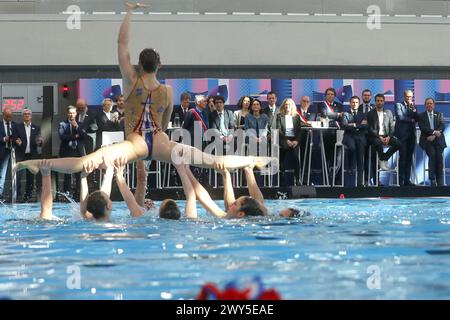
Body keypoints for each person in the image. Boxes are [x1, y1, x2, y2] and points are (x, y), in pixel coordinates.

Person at [118, 2, 174, 207]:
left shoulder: (131, 80)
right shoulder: (168, 91)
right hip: (155, 141)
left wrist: (130, 11)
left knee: (116, 170)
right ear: (160, 65)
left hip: (133, 141)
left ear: (139, 64)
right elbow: (165, 125)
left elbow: (122, 44)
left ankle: (134, 208)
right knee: (145, 176)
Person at [58, 105, 87, 199]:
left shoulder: (81, 124)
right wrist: (75, 136)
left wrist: (77, 127)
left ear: (76, 113)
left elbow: (84, 135)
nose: (71, 115)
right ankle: (67, 195)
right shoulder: (62, 124)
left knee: (79, 175)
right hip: (67, 152)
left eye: (73, 113)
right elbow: (63, 137)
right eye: (70, 113)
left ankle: (78, 195)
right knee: (67, 175)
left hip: (78, 152)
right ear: (67, 114)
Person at [367, 94, 401, 175]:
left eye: (381, 101)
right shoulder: (370, 113)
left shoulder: (388, 112)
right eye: (378, 101)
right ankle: (382, 160)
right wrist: (379, 137)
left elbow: (392, 127)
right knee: (377, 142)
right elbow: (370, 129)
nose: (379, 102)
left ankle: (384, 158)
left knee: (398, 144)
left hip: (387, 136)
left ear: (384, 102)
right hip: (375, 137)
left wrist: (389, 137)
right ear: (375, 102)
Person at [15, 109, 43, 202]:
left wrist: (40, 142)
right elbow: (14, 138)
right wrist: (17, 142)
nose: (27, 115)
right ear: (23, 116)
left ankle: (28, 196)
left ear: (31, 116)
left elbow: (39, 141)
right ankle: (18, 196)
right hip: (20, 155)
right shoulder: (18, 127)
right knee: (18, 176)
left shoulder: (36, 128)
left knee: (30, 177)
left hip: (32, 156)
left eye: (28, 114)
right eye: (25, 114)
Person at [418, 98, 447, 186]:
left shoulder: (439, 114)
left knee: (439, 156)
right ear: (425, 105)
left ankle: (440, 180)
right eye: (427, 103)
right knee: (432, 154)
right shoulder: (421, 116)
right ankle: (432, 179)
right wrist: (433, 132)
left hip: (438, 140)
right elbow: (423, 128)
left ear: (434, 105)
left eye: (431, 103)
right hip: (427, 140)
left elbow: (442, 126)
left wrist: (434, 135)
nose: (429, 105)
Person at [394, 90, 419, 186]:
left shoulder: (413, 106)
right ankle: (400, 180)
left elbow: (417, 119)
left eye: (411, 97)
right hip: (402, 136)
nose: (409, 98)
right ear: (404, 96)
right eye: (407, 97)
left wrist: (414, 110)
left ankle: (407, 180)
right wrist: (411, 120)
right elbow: (400, 117)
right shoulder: (398, 105)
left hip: (411, 136)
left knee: (409, 158)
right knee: (403, 158)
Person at [342, 96, 368, 187]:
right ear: (350, 103)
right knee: (352, 148)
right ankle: (350, 166)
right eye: (353, 102)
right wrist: (359, 125)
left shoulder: (363, 114)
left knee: (361, 159)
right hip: (349, 137)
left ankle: (360, 183)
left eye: (356, 102)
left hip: (360, 137)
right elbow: (344, 126)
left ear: (358, 103)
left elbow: (365, 126)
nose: (354, 104)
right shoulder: (346, 114)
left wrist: (353, 124)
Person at [276, 98, 303, 186]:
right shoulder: (279, 116)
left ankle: (298, 179)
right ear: (283, 106)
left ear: (292, 106)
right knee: (282, 155)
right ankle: (282, 177)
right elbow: (279, 131)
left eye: (289, 104)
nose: (287, 106)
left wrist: (296, 141)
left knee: (296, 157)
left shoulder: (296, 116)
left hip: (294, 139)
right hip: (284, 139)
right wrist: (286, 140)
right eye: (286, 104)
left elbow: (299, 131)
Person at [0, 108, 18, 200]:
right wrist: (4, 139)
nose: (8, 118)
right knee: (2, 173)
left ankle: (14, 195)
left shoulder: (14, 125)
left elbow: (18, 136)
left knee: (15, 173)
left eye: (10, 117)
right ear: (3, 115)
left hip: (13, 151)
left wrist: (17, 140)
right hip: (3, 151)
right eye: (7, 117)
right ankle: (0, 195)